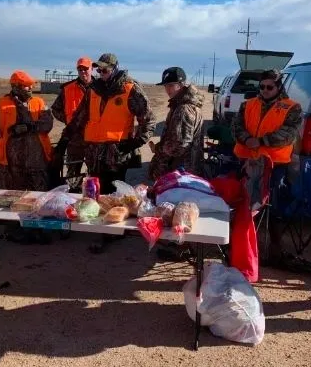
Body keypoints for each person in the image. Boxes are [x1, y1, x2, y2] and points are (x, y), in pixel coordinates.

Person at [56, 53, 156, 253]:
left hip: (117, 152)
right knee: (98, 191)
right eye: (98, 70)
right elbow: (79, 118)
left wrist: (135, 142)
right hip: (94, 151)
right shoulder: (94, 89)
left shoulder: (130, 88)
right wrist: (64, 141)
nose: (101, 73)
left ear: (115, 68)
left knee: (114, 192)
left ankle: (111, 232)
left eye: (105, 70)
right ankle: (106, 227)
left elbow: (149, 119)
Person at [232, 69, 302, 264]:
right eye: (262, 86)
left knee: (275, 204)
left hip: (275, 164)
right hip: (247, 160)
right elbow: (236, 126)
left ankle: (275, 247)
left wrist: (261, 141)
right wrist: (247, 139)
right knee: (243, 201)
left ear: (279, 86)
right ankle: (240, 245)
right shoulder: (248, 105)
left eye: (270, 86)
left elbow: (288, 134)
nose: (265, 90)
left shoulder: (293, 108)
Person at [0, 70, 54, 192]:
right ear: (16, 86)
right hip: (10, 165)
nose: (30, 87)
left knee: (39, 199)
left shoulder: (39, 102)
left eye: (31, 84)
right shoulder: (1, 104)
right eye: (26, 85)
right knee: (9, 200)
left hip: (37, 162)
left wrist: (28, 127)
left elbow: (47, 124)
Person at [148, 67, 204, 180]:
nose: (167, 89)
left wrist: (159, 149)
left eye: (171, 85)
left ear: (181, 84)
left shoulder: (184, 109)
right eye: (166, 86)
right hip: (182, 170)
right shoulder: (180, 105)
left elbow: (179, 146)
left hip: (181, 171)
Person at [51, 56, 93, 191]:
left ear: (92, 69)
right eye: (80, 69)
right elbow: (55, 109)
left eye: (85, 69)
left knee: (96, 171)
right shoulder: (67, 89)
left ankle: (93, 195)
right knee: (73, 172)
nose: (83, 72)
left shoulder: (101, 88)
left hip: (95, 138)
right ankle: (73, 195)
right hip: (75, 138)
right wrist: (69, 121)